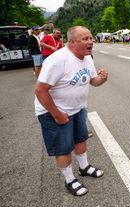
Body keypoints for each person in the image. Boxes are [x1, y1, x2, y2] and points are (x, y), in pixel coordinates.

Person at [34, 26, 108, 197]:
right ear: (72, 42)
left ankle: (84, 168)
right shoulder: (57, 60)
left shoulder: (87, 57)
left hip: (77, 108)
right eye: (85, 39)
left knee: (80, 140)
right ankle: (69, 180)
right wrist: (57, 115)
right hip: (54, 112)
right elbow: (40, 90)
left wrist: (102, 79)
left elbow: (92, 81)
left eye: (90, 38)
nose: (90, 41)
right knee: (63, 148)